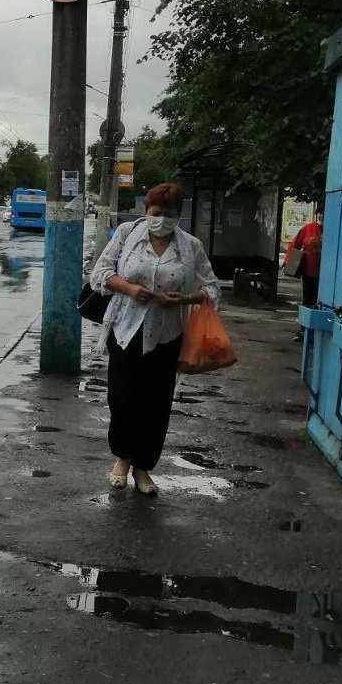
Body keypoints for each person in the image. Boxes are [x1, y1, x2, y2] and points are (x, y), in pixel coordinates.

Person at [90, 182, 221, 496]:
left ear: (179, 216)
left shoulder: (191, 247)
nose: (162, 219)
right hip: (125, 332)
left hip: (167, 335)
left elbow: (213, 289)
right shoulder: (126, 235)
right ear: (146, 212)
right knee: (122, 401)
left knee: (155, 407)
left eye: (169, 214)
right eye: (156, 213)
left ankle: (143, 469)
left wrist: (185, 299)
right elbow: (100, 273)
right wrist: (129, 288)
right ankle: (122, 459)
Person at [286, 207, 324, 307]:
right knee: (308, 296)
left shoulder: (333, 229)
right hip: (309, 269)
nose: (322, 215)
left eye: (324, 213)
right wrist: (288, 260)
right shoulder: (308, 228)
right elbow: (295, 244)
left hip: (326, 272)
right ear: (316, 215)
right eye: (320, 213)